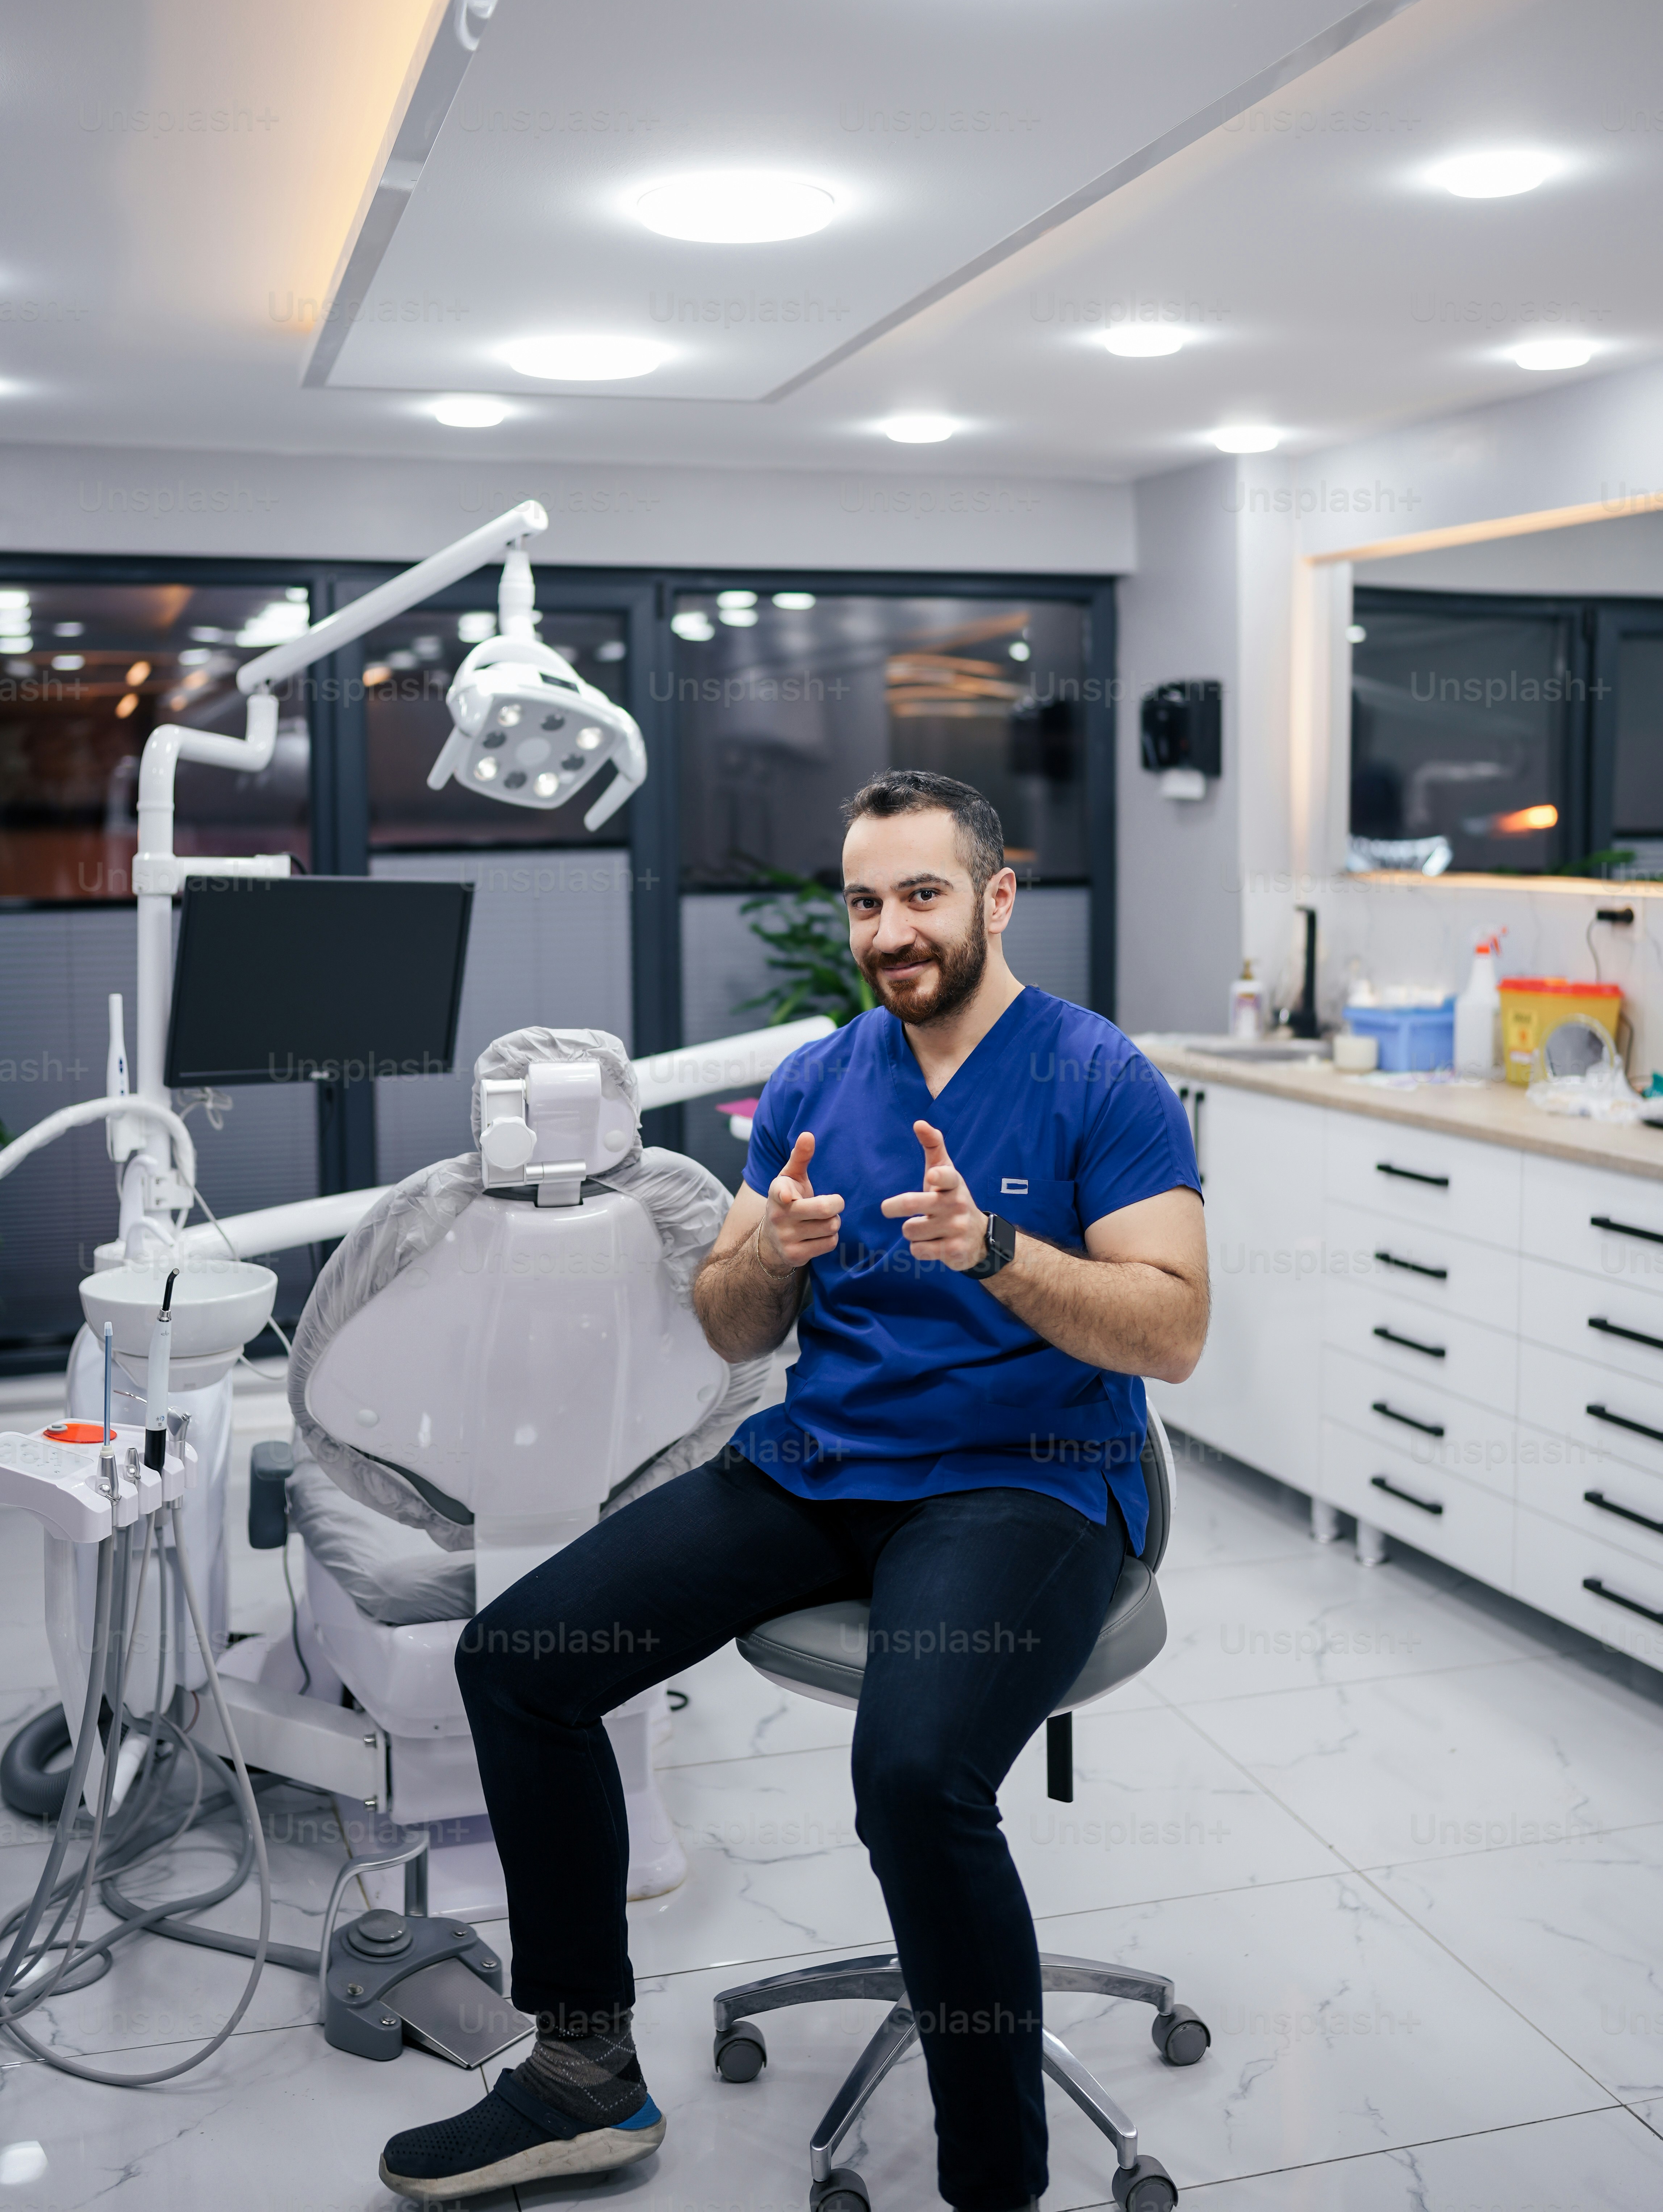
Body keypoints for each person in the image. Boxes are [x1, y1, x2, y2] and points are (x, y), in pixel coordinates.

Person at [380, 768, 1208, 2212]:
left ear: (997, 899)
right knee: (517, 1659)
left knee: (910, 1773)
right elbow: (728, 1325)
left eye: (923, 895)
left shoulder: (1097, 1078)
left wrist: (1001, 1255)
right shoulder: (825, 1083)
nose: (892, 929)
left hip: (1029, 1482)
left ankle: (993, 2184)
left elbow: (1175, 1329)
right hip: (824, 1467)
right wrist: (774, 1253)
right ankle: (582, 2077)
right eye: (866, 903)